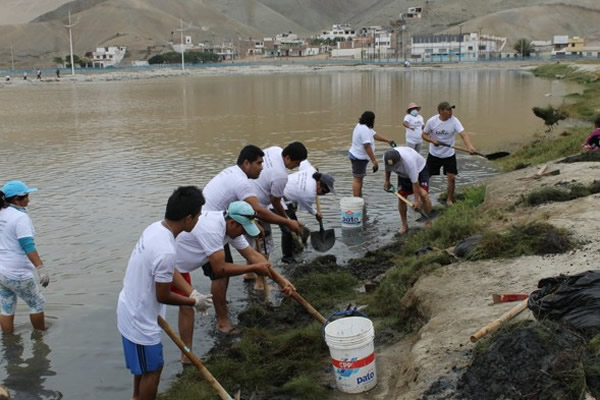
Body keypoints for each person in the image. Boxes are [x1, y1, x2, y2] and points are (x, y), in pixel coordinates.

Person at [116, 186, 212, 400]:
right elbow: (163, 295)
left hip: (135, 307)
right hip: (138, 317)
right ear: (188, 218)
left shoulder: (156, 229)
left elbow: (169, 270)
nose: (198, 221)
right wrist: (192, 303)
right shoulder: (166, 249)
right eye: (197, 216)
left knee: (145, 367)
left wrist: (192, 291)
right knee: (153, 370)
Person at [201, 144, 303, 334]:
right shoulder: (241, 182)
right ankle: (223, 321)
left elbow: (250, 213)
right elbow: (260, 211)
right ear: (246, 163)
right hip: (206, 227)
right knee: (220, 273)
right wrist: (288, 223)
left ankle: (221, 306)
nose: (262, 167)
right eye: (258, 163)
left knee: (231, 267)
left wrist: (281, 281)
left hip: (223, 221)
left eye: (262, 162)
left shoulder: (234, 174)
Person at [175, 201, 295, 346]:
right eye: (243, 230)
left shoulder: (231, 227)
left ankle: (187, 355)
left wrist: (280, 280)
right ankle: (192, 350)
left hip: (182, 268)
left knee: (186, 307)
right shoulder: (213, 229)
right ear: (233, 223)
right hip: (171, 265)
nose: (244, 234)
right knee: (184, 305)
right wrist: (252, 268)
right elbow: (220, 269)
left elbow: (252, 256)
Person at [0, 181, 49, 334]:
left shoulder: (1, 213)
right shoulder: (20, 218)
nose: (29, 200)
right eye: (27, 196)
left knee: (7, 307)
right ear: (17, 199)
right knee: (37, 304)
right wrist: (41, 269)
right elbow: (28, 246)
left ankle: (9, 340)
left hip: (1, 271)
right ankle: (40, 339)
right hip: (17, 272)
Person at [248, 142, 308, 256]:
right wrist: (288, 221)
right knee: (265, 244)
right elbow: (275, 202)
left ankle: (251, 272)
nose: (297, 166)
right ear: (288, 157)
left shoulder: (275, 149)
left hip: (244, 194)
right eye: (297, 163)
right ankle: (262, 271)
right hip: (256, 207)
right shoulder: (281, 176)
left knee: (253, 244)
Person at [280, 161, 336, 263]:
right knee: (287, 229)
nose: (324, 194)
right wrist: (316, 214)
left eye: (327, 193)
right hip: (277, 199)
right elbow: (308, 207)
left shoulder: (311, 171)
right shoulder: (309, 193)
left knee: (293, 223)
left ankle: (295, 247)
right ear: (318, 184)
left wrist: (314, 168)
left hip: (288, 199)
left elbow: (303, 161)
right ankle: (287, 258)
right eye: (324, 191)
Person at [422, 102, 476, 206]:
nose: (451, 112)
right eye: (448, 110)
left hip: (449, 154)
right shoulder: (432, 121)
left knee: (451, 178)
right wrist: (432, 140)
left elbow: (463, 134)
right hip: (434, 154)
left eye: (451, 110)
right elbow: (424, 135)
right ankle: (422, 198)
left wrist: (469, 146)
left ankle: (449, 200)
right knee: (426, 177)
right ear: (441, 111)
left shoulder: (454, 121)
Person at [383, 147, 432, 235]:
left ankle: (428, 221)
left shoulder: (409, 162)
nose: (393, 168)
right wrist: (387, 181)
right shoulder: (386, 157)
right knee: (401, 198)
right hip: (403, 175)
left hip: (420, 170)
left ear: (400, 160)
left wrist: (417, 201)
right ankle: (404, 225)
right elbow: (387, 168)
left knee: (424, 195)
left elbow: (415, 183)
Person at [349, 111, 395, 197]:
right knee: (357, 179)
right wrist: (374, 161)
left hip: (357, 156)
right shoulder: (364, 130)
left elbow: (374, 135)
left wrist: (388, 140)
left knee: (359, 178)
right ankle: (356, 199)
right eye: (374, 120)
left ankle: (359, 197)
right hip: (358, 158)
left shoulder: (363, 126)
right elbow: (367, 146)